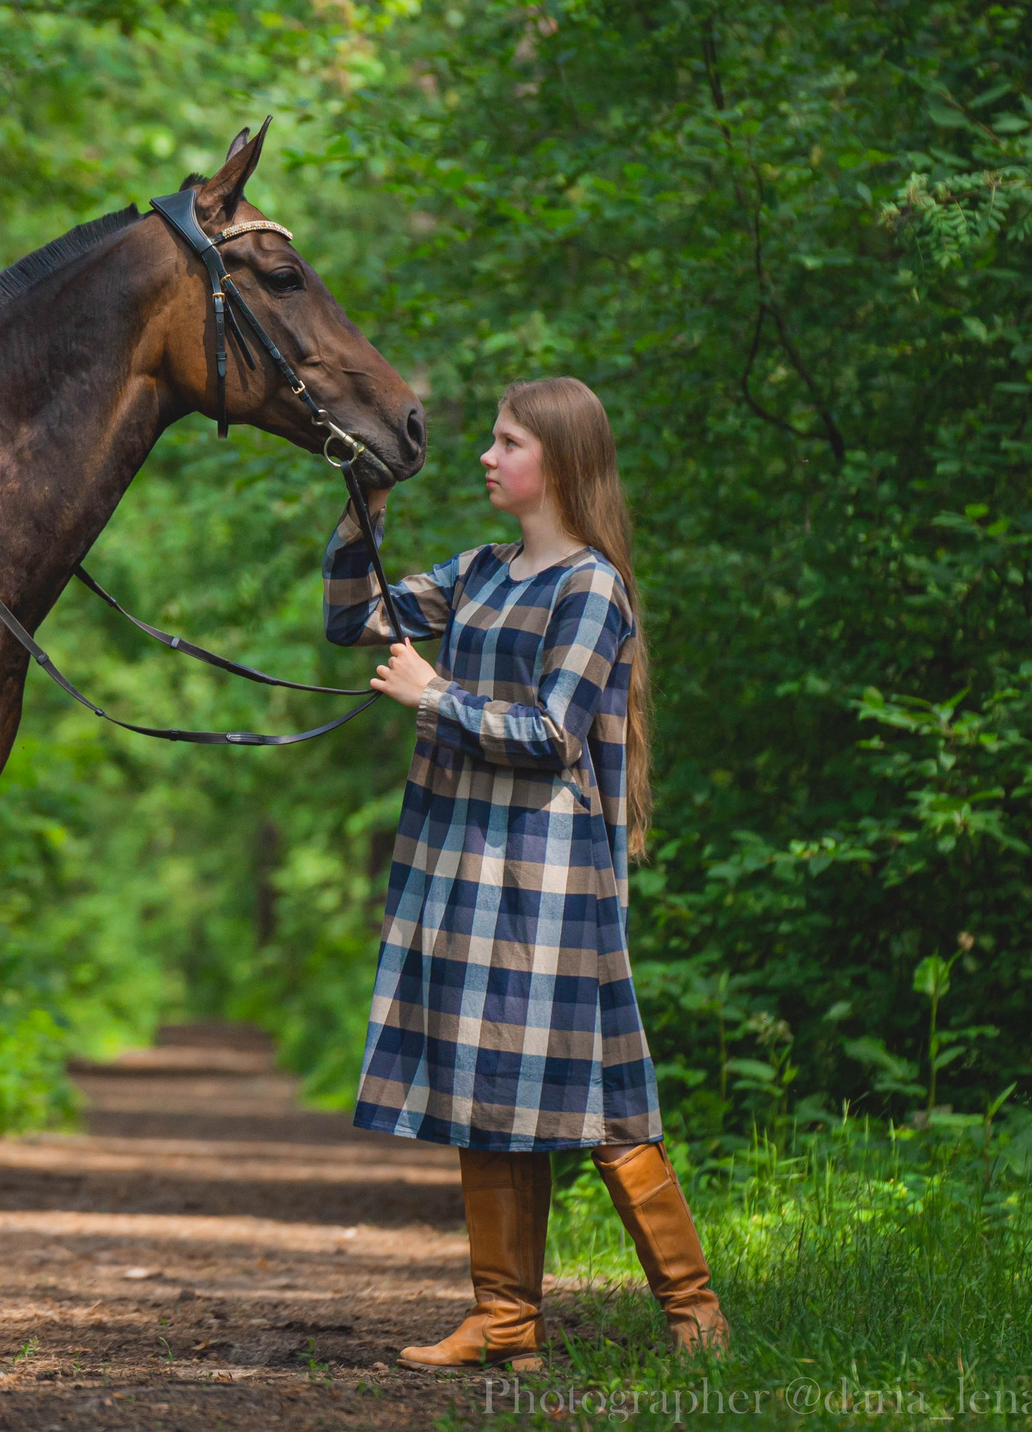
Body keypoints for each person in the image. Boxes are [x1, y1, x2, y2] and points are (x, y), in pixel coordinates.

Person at [324, 376, 728, 1370]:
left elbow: (552, 735)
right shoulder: (481, 573)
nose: (485, 457)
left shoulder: (591, 586)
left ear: (557, 459)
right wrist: (362, 501)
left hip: (549, 880)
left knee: (599, 1101)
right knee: (487, 1085)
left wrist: (434, 694)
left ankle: (695, 1315)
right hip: (464, 861)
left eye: (506, 442)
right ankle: (504, 1320)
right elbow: (351, 617)